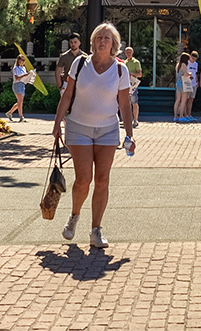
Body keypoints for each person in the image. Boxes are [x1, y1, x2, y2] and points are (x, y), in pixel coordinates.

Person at [51, 22, 135, 249]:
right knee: (84, 179)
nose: (102, 41)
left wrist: (129, 134)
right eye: (98, 37)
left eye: (107, 38)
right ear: (93, 41)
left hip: (108, 129)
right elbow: (67, 95)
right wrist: (57, 122)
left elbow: (125, 104)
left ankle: (96, 230)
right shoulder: (80, 64)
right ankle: (74, 215)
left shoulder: (120, 70)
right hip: (79, 127)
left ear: (114, 44)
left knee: (102, 180)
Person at [122, 46, 144, 126]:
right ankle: (128, 119)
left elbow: (140, 74)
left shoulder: (136, 62)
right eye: (127, 52)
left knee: (134, 102)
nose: (128, 54)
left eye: (129, 52)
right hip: (124, 84)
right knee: (126, 103)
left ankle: (135, 119)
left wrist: (132, 74)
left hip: (133, 85)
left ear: (132, 53)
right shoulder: (124, 63)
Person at [172, 52, 195, 122]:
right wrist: (190, 74)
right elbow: (185, 74)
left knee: (177, 100)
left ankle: (175, 116)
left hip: (178, 82)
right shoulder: (184, 64)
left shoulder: (178, 65)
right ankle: (181, 116)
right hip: (183, 83)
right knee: (183, 100)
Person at [10, 54, 32, 122]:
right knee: (20, 101)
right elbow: (17, 78)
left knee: (20, 101)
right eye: (21, 60)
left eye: (23, 60)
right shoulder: (15, 68)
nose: (22, 61)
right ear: (18, 60)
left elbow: (24, 77)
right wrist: (25, 75)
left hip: (22, 84)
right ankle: (21, 116)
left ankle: (10, 112)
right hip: (17, 84)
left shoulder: (23, 68)